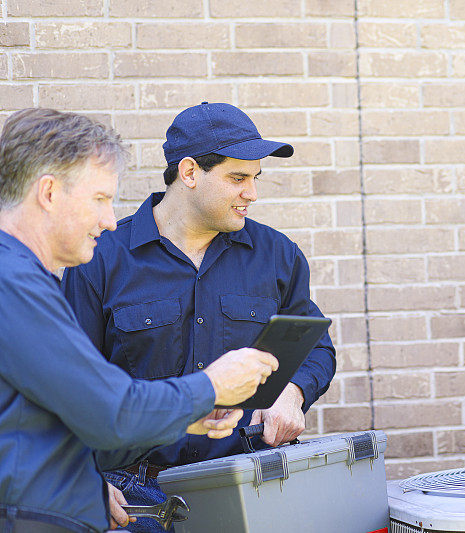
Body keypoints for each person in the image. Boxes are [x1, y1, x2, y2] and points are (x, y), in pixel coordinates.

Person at [0, 108, 280, 533]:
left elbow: (75, 414)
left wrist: (187, 417)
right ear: (50, 193)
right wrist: (212, 387)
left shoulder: (22, 279)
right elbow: (110, 410)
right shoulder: (13, 282)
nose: (110, 220)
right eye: (99, 199)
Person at [62, 102, 336, 532]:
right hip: (133, 497)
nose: (253, 193)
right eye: (237, 178)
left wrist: (293, 393)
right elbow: (68, 385)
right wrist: (79, 477)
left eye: (255, 178)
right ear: (189, 173)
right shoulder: (100, 259)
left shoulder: (277, 255)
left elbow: (314, 344)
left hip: (246, 484)